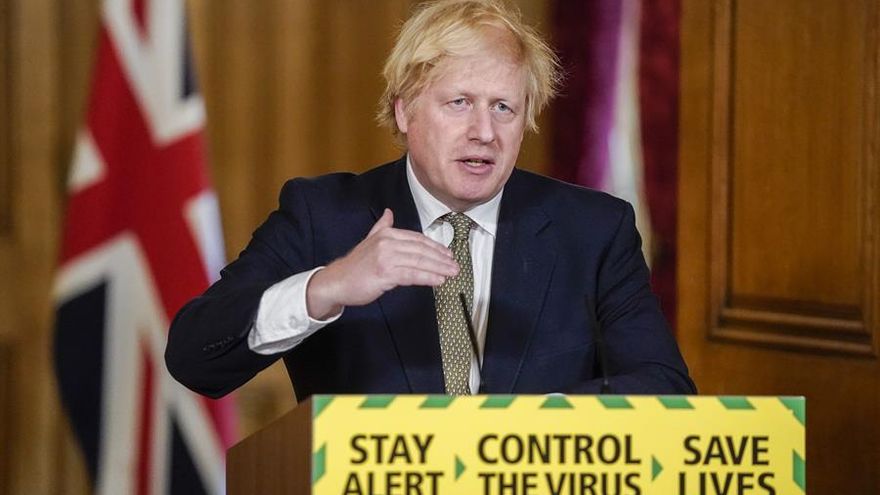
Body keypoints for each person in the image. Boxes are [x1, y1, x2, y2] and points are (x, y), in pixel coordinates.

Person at [165, 0, 695, 401]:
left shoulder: (594, 230)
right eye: (459, 103)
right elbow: (193, 355)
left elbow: (664, 387)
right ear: (405, 111)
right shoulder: (322, 215)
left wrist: (526, 428)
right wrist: (326, 287)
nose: (484, 132)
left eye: (504, 107)